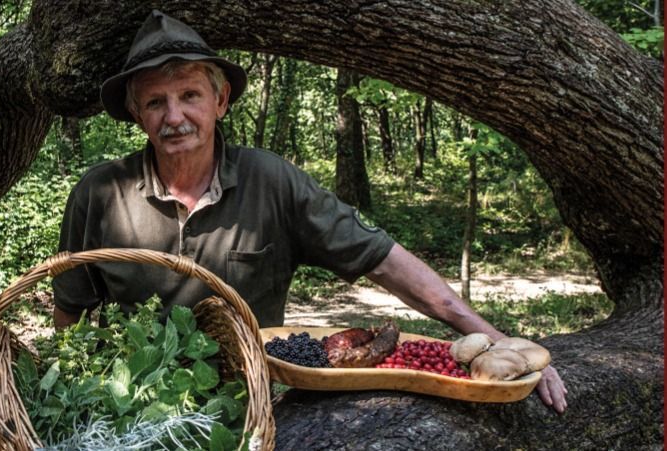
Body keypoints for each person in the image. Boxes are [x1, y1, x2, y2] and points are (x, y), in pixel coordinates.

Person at [52, 9, 567, 413]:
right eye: (156, 102)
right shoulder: (101, 192)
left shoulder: (272, 181)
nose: (175, 116)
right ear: (138, 114)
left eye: (190, 95)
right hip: (129, 405)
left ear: (221, 100)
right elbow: (69, 313)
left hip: (247, 407)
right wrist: (75, 400)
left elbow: (384, 259)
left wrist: (501, 344)